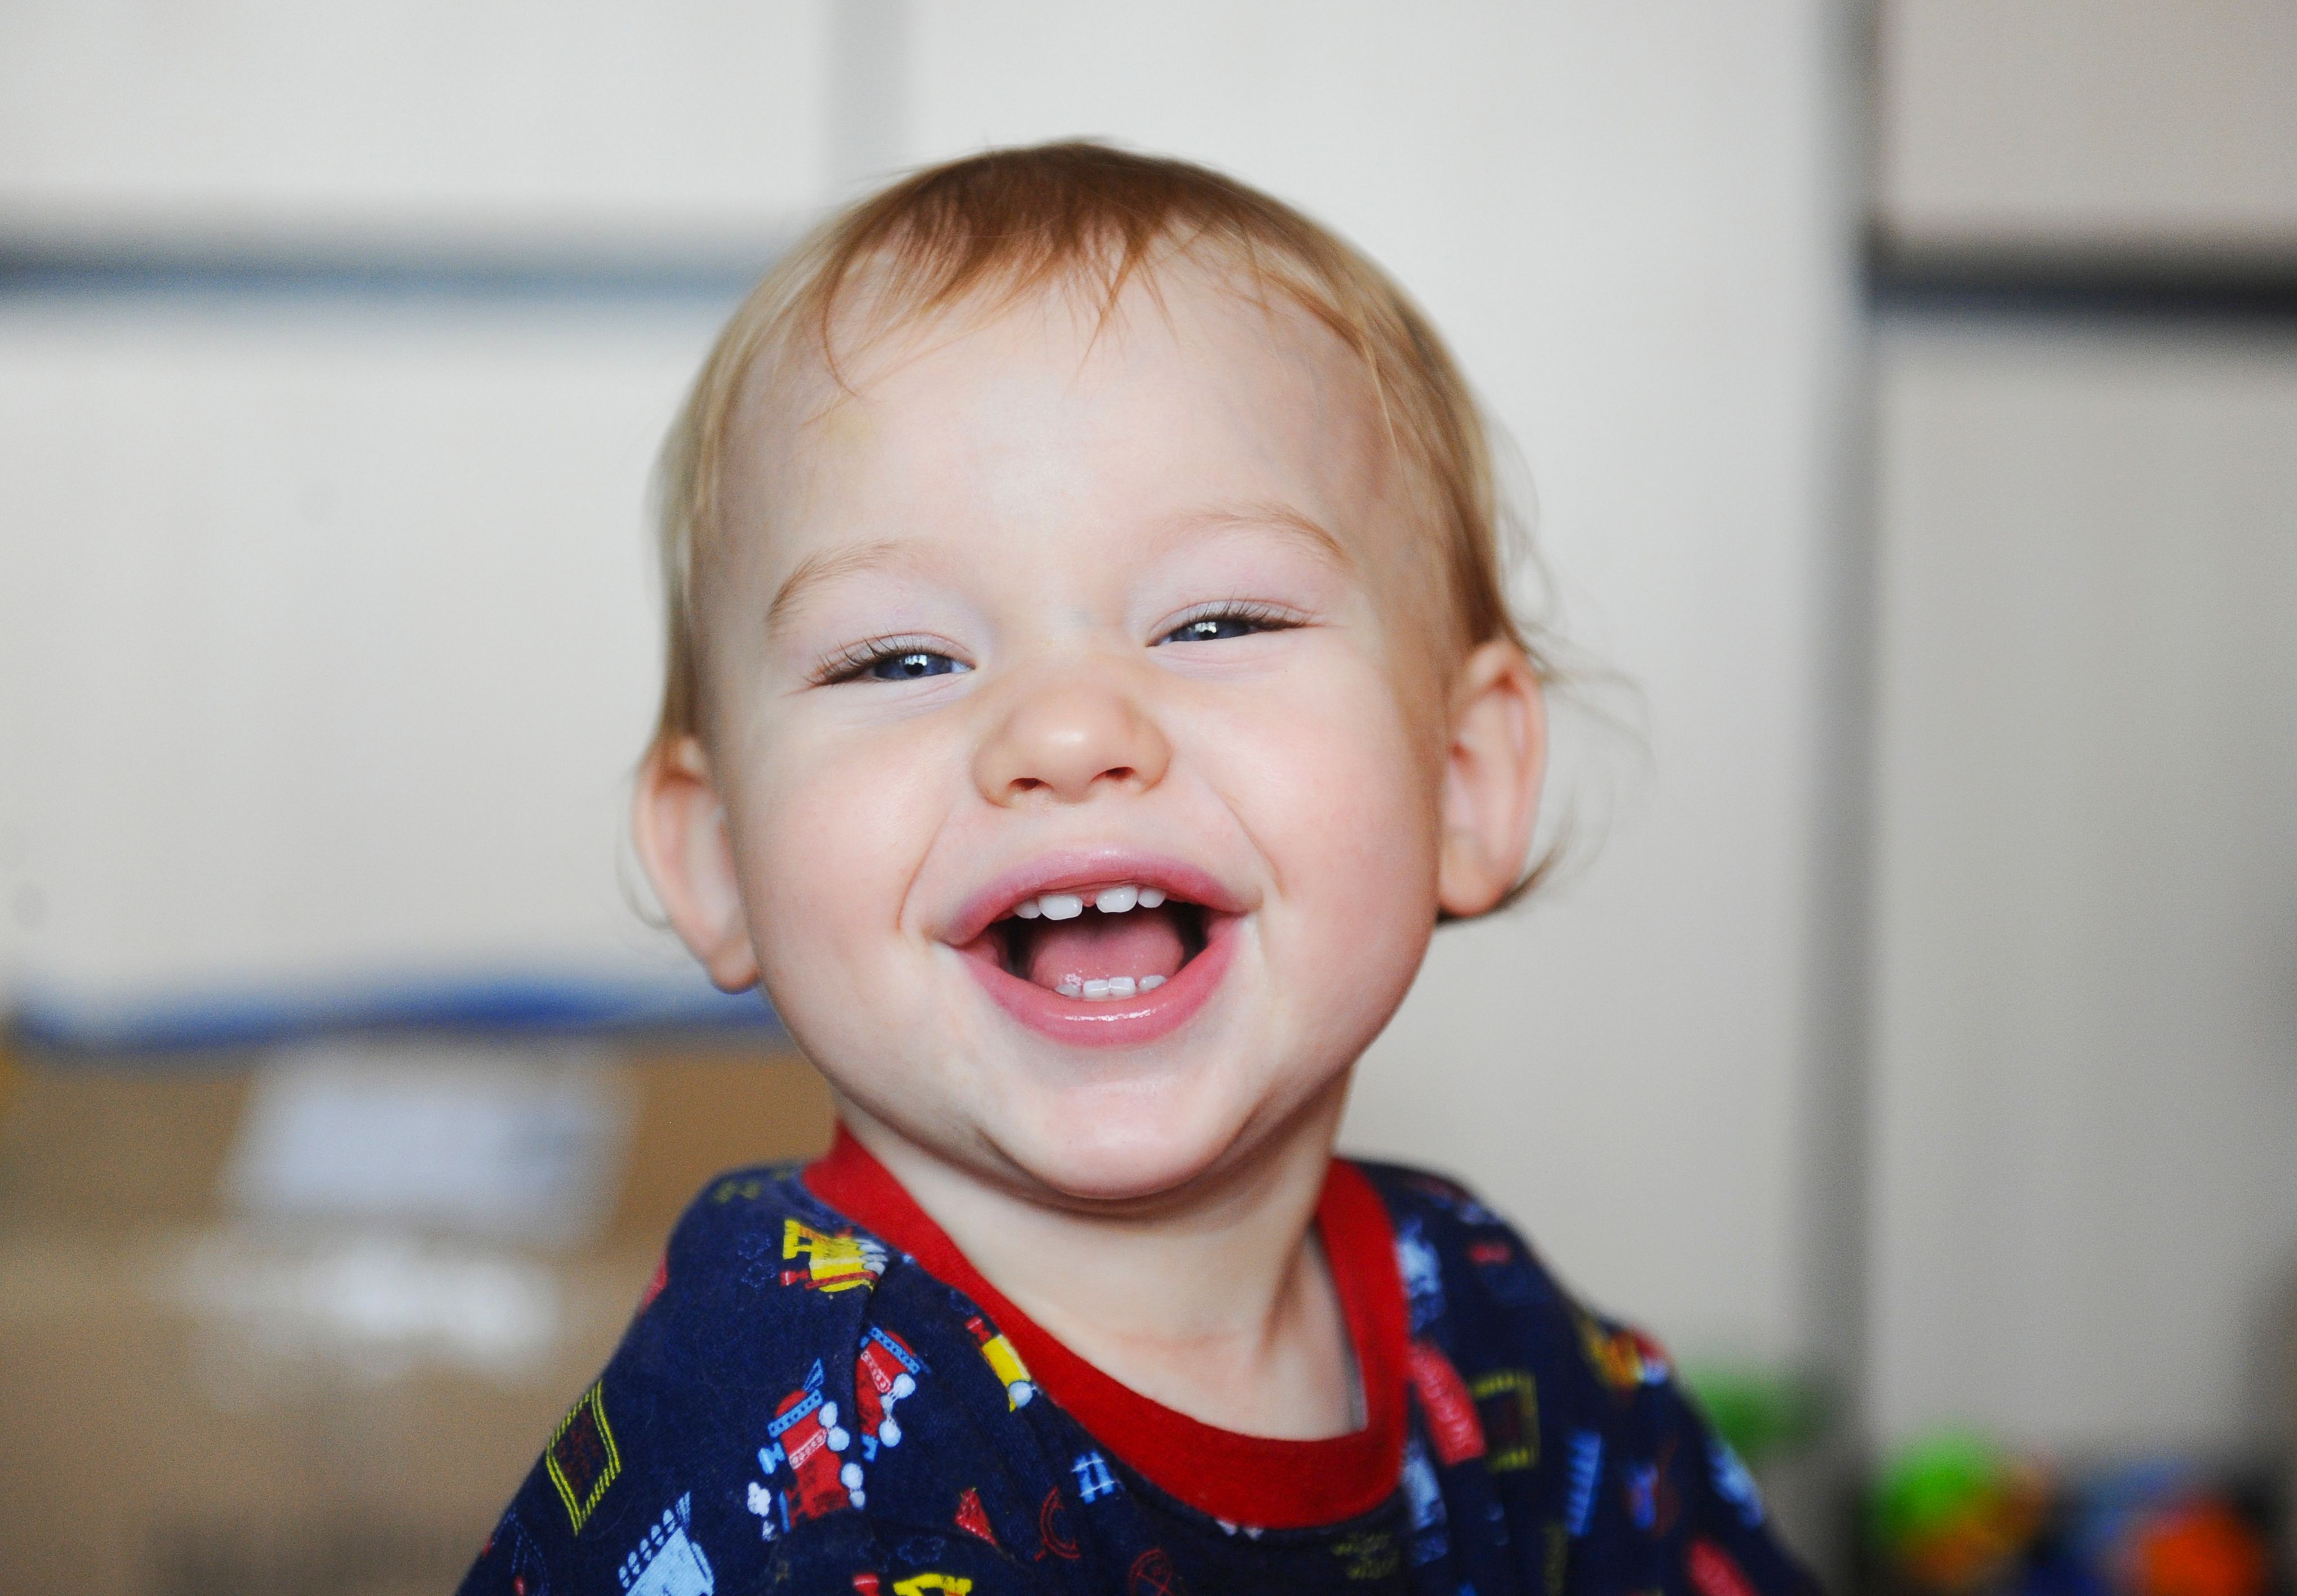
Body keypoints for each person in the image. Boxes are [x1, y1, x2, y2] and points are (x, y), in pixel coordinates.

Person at [459, 141, 1816, 1596]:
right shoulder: (776, 1439)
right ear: (717, 855)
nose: (1063, 728)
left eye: (1217, 623)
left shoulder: (1490, 1338)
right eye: (900, 656)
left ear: (1462, 781)